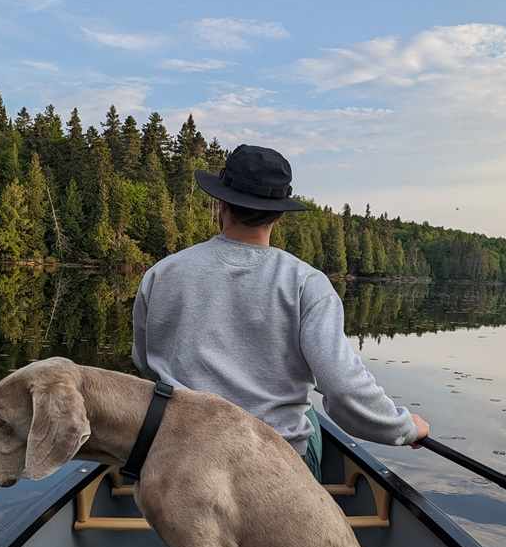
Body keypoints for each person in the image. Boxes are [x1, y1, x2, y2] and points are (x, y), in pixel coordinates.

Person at [131, 144, 429, 481]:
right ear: (278, 213)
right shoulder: (307, 284)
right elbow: (344, 392)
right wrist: (405, 427)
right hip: (273, 467)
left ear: (221, 203)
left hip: (181, 461)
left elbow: (145, 363)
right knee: (310, 418)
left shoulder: (162, 273)